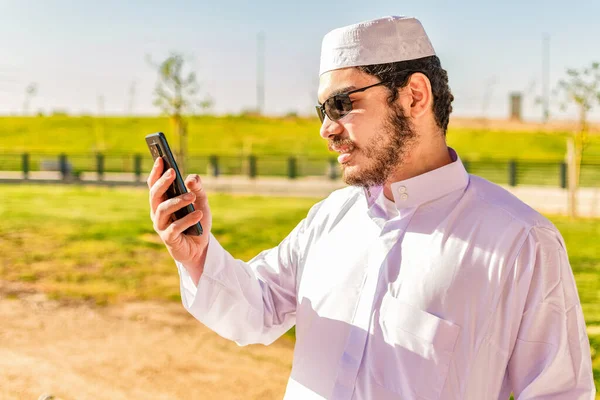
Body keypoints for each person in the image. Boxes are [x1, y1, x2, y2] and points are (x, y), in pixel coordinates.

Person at [147, 16, 595, 400]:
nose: (326, 128)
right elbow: (258, 309)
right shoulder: (329, 218)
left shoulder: (520, 242)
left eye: (342, 104)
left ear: (415, 96)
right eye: (321, 109)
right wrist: (198, 254)